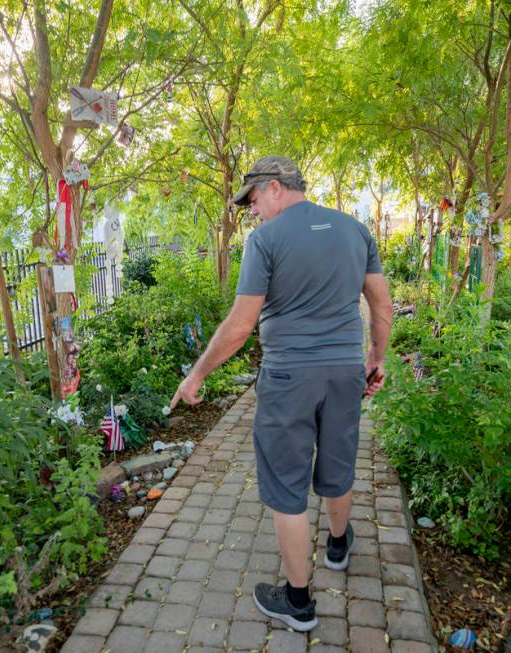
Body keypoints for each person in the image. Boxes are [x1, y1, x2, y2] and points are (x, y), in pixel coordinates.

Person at [169, 155, 393, 631]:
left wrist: (196, 375)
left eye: (252, 199)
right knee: (339, 461)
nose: (251, 210)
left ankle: (298, 602)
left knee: (287, 486)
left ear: (274, 187)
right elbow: (381, 302)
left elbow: (241, 325)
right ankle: (337, 546)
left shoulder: (265, 240)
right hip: (344, 371)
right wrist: (378, 358)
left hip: (289, 377)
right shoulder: (355, 230)